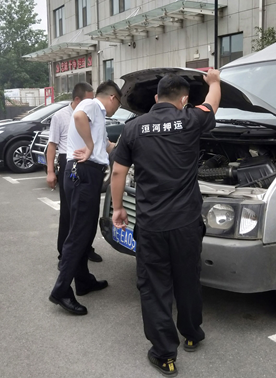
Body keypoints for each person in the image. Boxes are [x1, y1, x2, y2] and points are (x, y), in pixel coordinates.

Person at [111, 70, 221, 376]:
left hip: (152, 225)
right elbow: (212, 103)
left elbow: (118, 172)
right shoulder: (191, 119)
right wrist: (214, 81)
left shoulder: (133, 128)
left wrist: (118, 208)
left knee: (155, 286)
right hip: (186, 224)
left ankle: (164, 355)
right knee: (188, 279)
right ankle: (192, 335)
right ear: (184, 100)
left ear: (156, 98)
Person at [49, 80, 122, 316]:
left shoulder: (98, 116)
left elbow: (107, 146)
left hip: (84, 174)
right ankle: (61, 290)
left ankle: (83, 280)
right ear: (112, 98)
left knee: (86, 229)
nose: (117, 110)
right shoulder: (92, 105)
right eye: (118, 105)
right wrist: (89, 146)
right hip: (83, 172)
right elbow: (78, 116)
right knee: (79, 232)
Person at [46, 82, 103, 265]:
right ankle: (64, 254)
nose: (92, 103)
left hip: (89, 163)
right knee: (69, 212)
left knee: (89, 212)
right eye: (89, 99)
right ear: (77, 99)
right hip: (69, 162)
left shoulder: (93, 113)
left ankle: (86, 249)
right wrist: (50, 171)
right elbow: (52, 145)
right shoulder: (60, 116)